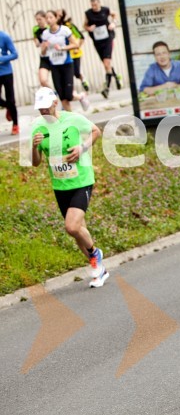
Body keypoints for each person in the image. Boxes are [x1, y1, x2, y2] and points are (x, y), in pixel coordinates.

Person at [31, 87, 107, 288]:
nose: (43, 112)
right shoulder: (37, 127)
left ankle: (95, 254)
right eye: (40, 109)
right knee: (78, 230)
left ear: (55, 103)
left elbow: (96, 131)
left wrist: (82, 148)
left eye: (46, 107)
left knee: (71, 226)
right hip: (60, 184)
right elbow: (36, 163)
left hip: (81, 180)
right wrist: (33, 147)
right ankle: (99, 269)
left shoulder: (73, 119)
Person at [41, 10, 89, 111]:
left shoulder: (64, 30)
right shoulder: (45, 34)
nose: (48, 20)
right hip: (54, 65)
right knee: (62, 97)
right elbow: (43, 53)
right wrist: (44, 47)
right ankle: (70, 120)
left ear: (56, 18)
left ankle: (81, 97)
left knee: (68, 95)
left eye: (51, 17)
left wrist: (62, 48)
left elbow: (75, 44)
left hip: (66, 64)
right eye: (47, 18)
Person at [83, 0, 122, 99]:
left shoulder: (106, 10)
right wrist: (88, 28)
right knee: (106, 65)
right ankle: (116, 77)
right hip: (97, 41)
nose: (94, 7)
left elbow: (115, 15)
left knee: (106, 63)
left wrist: (114, 23)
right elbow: (85, 25)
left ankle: (106, 89)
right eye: (92, 5)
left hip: (108, 39)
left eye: (95, 5)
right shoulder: (88, 13)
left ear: (99, 3)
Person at [58, 10, 89, 93]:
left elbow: (81, 37)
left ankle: (83, 80)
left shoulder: (69, 26)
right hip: (63, 55)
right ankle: (71, 91)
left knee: (76, 72)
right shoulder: (54, 29)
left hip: (75, 54)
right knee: (68, 74)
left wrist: (77, 47)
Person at [0, 30, 19, 135]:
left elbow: (15, 54)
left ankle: (15, 124)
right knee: (9, 103)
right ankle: (9, 107)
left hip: (6, 72)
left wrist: (2, 58)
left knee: (11, 100)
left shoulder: (4, 37)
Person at [34, 11, 50, 87]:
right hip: (44, 56)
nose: (38, 21)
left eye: (40, 19)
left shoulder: (50, 28)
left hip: (54, 56)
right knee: (43, 81)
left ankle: (79, 96)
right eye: (37, 20)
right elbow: (37, 44)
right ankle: (53, 94)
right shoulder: (35, 29)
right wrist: (37, 41)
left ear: (45, 18)